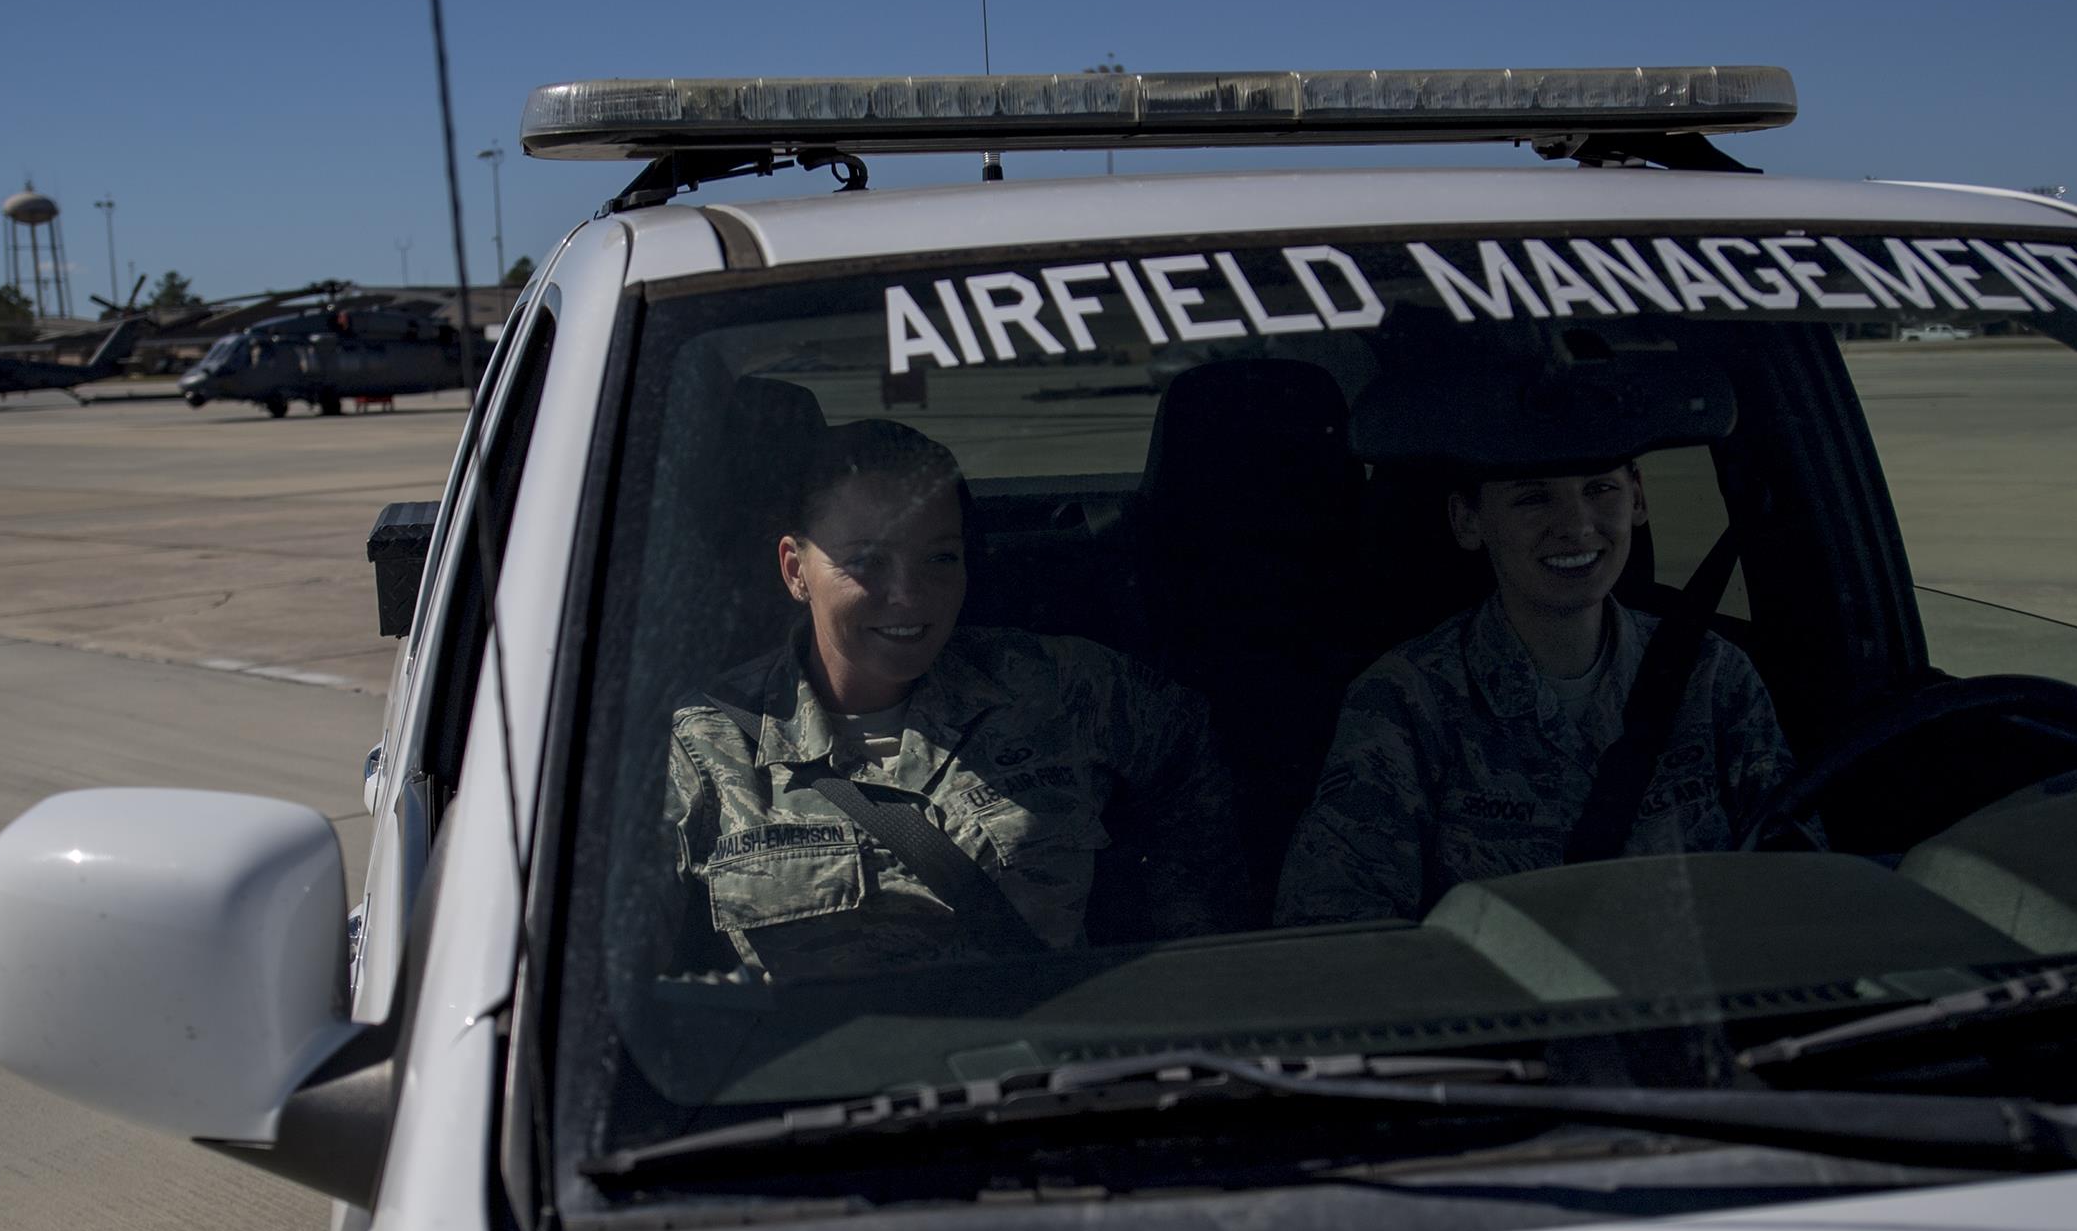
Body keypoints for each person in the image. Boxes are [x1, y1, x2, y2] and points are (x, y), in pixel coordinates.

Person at [664, 419, 1251, 978]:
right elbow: (612, 958)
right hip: (820, 1075)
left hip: (1042, 1070)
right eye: (866, 562)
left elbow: (1190, 760)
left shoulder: (1059, 687)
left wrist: (1176, 956)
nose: (909, 595)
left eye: (940, 558)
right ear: (796, 570)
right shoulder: (704, 743)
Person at [1273, 458, 1803, 925]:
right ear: (1467, 520)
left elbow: (1796, 887)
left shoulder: (1712, 676)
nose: (1575, 525)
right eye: (1532, 497)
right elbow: (1338, 933)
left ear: (1638, 497)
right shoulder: (1407, 700)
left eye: (1600, 488)